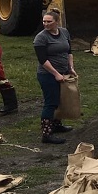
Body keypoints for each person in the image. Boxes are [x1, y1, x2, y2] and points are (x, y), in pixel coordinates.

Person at [33, 9, 75, 144]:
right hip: (47, 75)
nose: (45, 24)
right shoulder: (41, 37)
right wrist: (55, 74)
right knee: (50, 103)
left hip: (63, 72)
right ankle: (46, 134)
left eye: (49, 21)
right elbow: (42, 59)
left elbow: (69, 51)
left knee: (60, 100)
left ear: (56, 22)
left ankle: (57, 125)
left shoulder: (64, 32)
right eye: (44, 21)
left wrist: (71, 68)